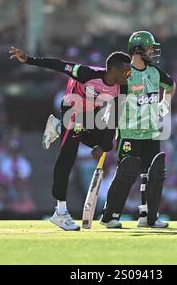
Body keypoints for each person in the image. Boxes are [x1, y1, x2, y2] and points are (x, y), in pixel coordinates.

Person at [9, 46, 131, 230]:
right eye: (127, 71)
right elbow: (59, 65)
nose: (129, 75)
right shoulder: (86, 73)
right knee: (68, 156)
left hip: (91, 116)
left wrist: (103, 146)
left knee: (103, 142)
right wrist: (29, 60)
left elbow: (115, 117)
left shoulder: (122, 87)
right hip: (72, 110)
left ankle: (57, 126)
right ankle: (60, 212)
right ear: (114, 70)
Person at [100, 31, 176, 228]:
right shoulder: (126, 73)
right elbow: (114, 97)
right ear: (137, 50)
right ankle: (110, 216)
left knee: (154, 174)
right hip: (129, 133)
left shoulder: (154, 72)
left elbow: (171, 85)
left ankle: (149, 217)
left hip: (151, 132)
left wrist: (164, 105)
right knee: (127, 172)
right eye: (149, 48)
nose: (152, 51)